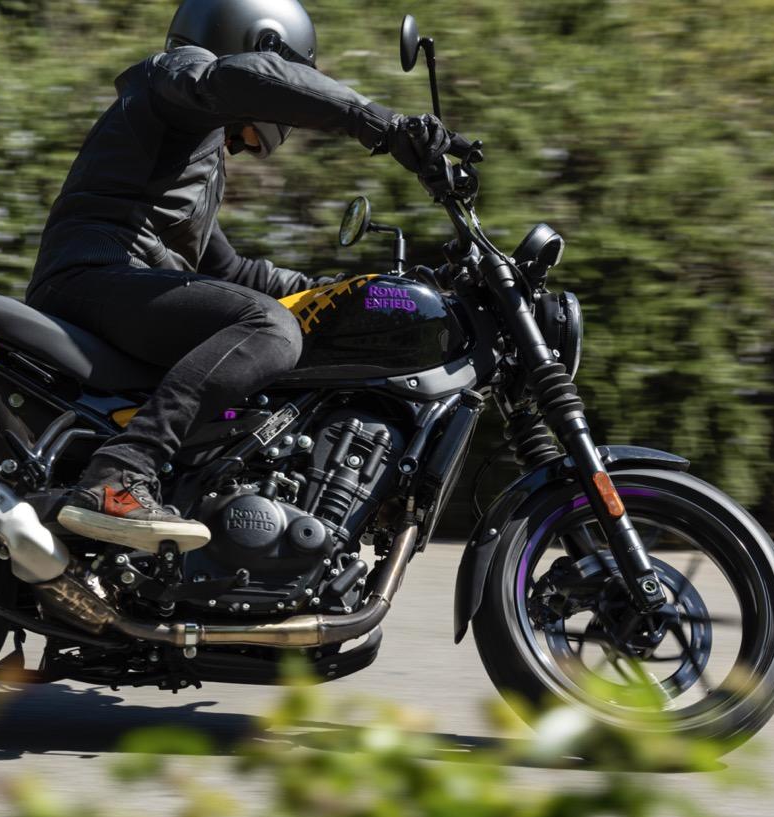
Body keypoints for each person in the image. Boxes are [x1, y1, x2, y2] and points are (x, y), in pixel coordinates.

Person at [26, 0, 454, 553]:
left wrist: (345, 291)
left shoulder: (183, 150)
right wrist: (382, 124)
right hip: (94, 276)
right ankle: (121, 472)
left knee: (264, 330)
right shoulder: (176, 75)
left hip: (111, 283)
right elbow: (236, 79)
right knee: (270, 330)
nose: (249, 144)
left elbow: (231, 271)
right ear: (262, 44)